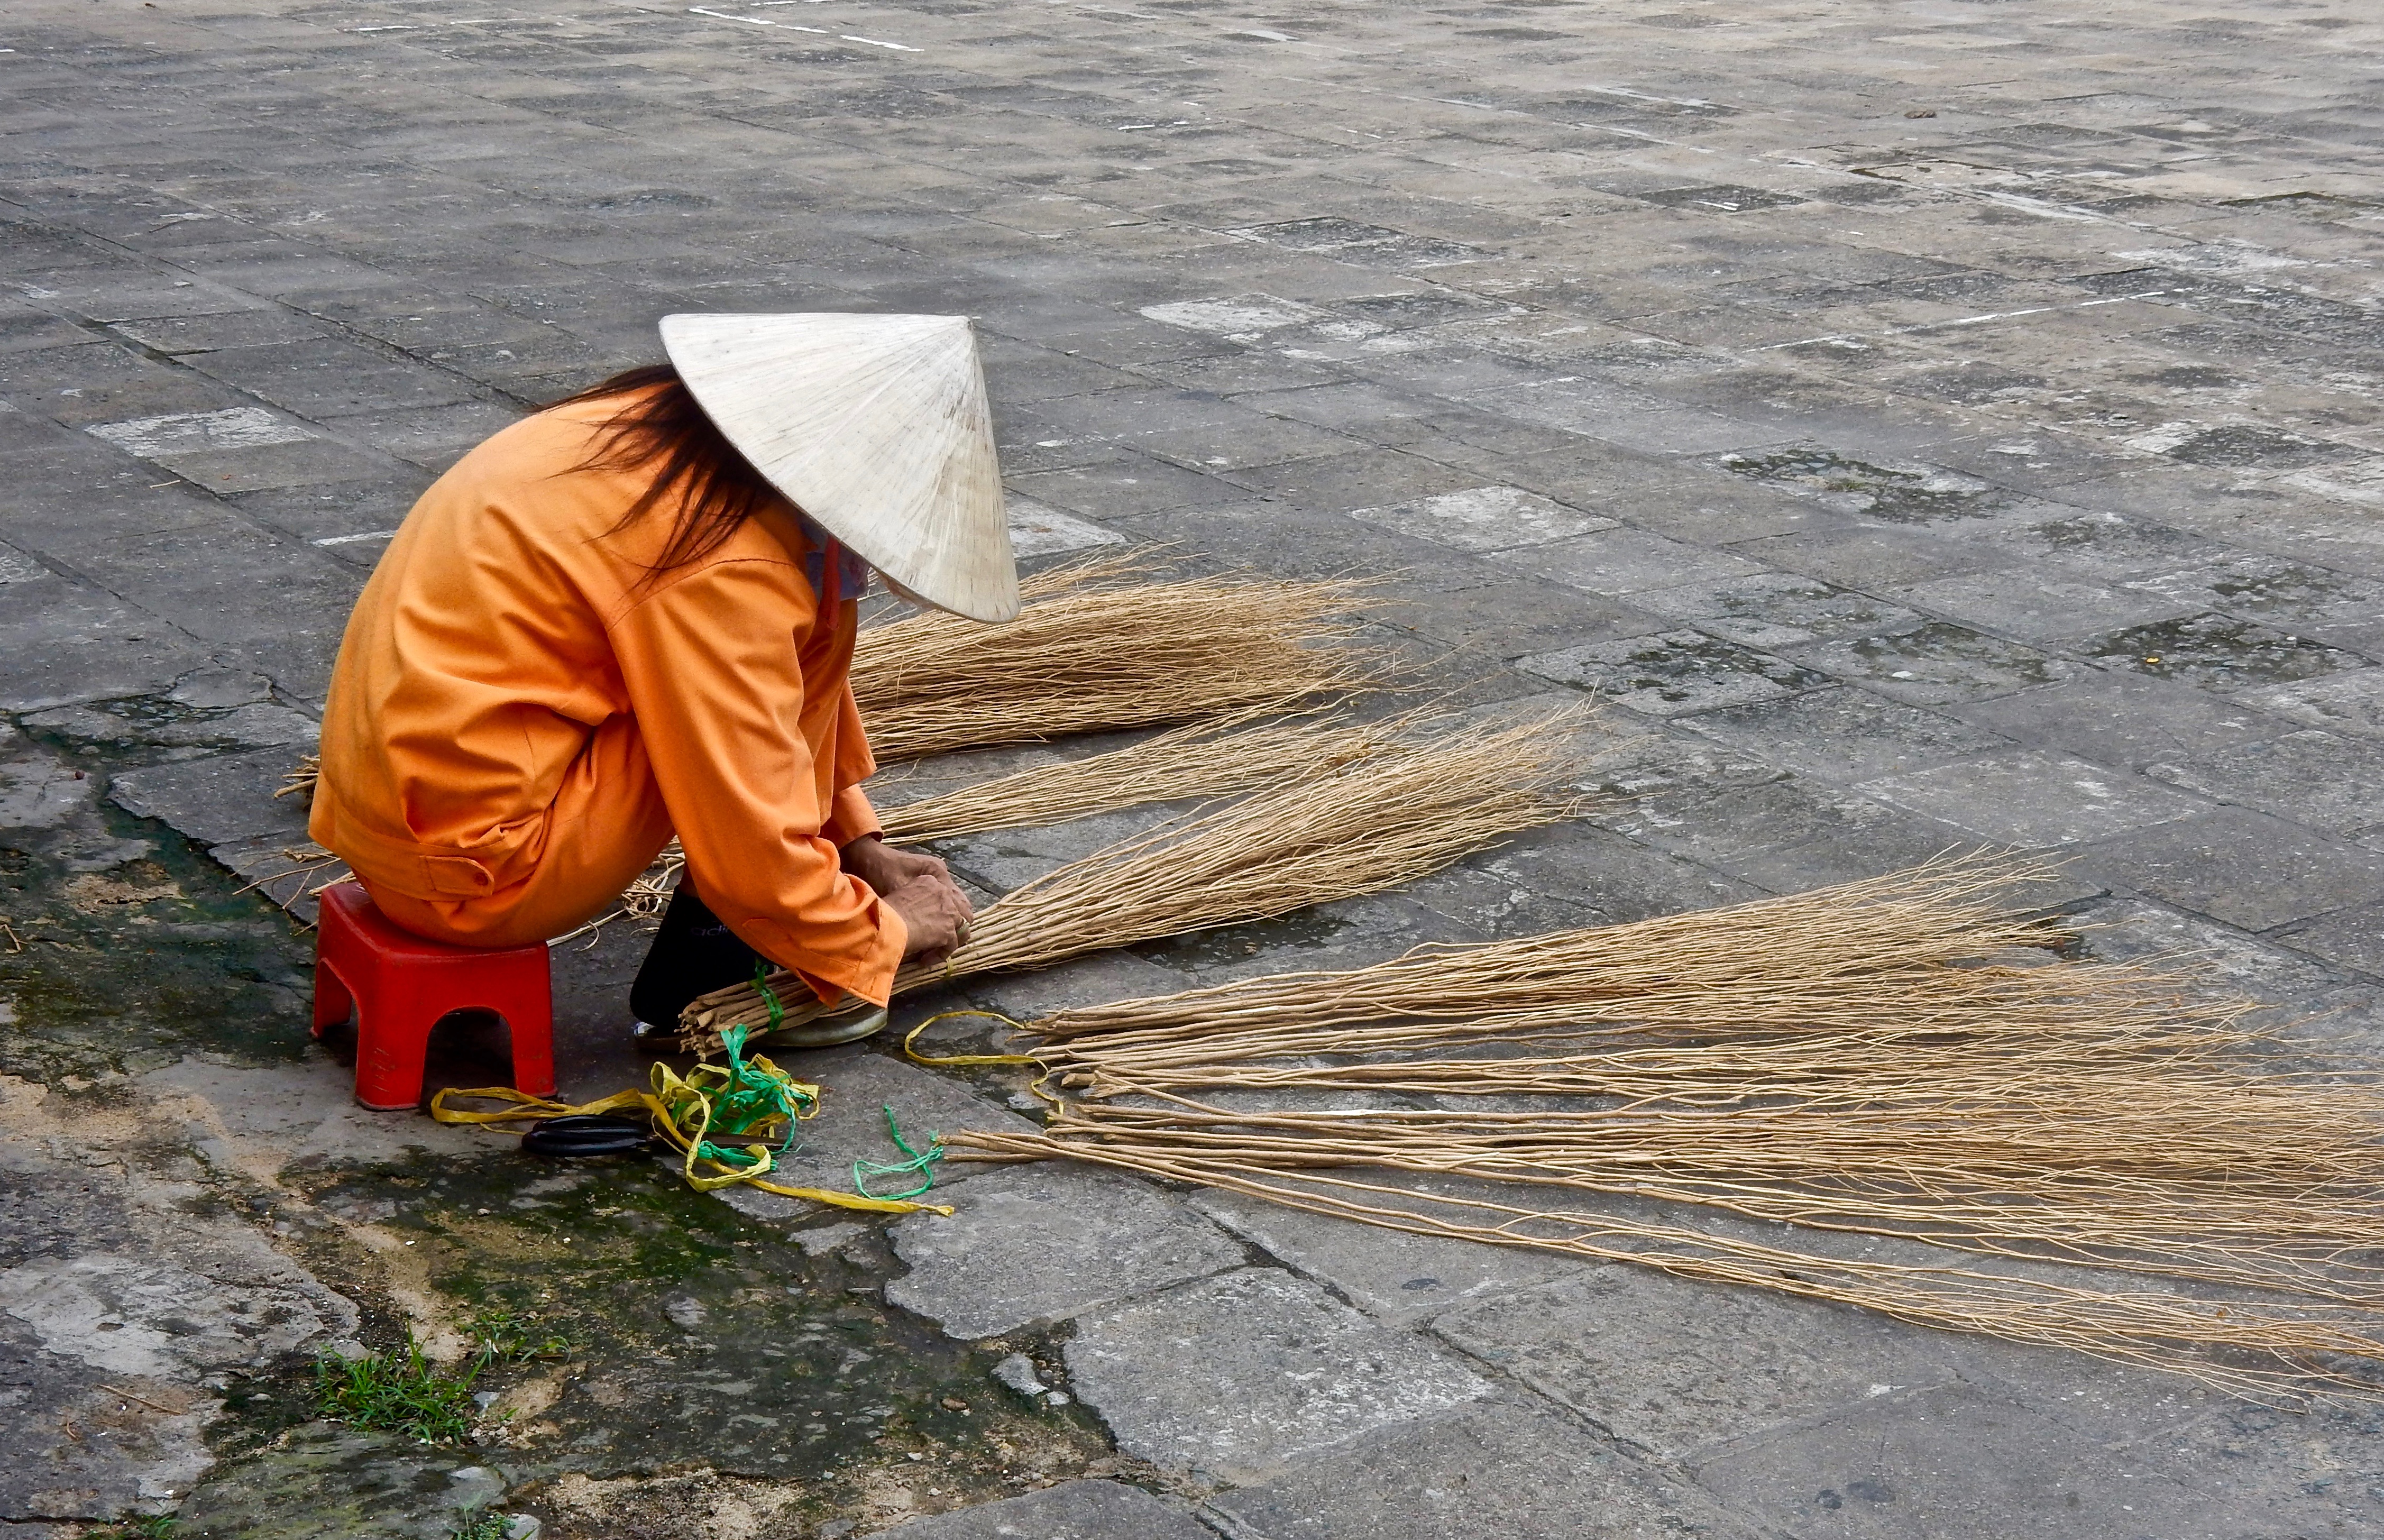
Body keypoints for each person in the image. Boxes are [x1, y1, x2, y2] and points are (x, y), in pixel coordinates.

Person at [308, 312, 1018, 1044]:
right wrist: (883, 933)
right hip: (480, 876)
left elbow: (771, 706)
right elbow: (744, 779)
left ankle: (794, 896)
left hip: (392, 821)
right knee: (777, 650)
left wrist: (858, 843)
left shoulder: (633, 425)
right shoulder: (726, 559)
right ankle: (751, 943)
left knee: (805, 620)